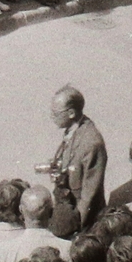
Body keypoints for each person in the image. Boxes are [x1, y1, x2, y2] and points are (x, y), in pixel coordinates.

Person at [44, 85, 107, 236]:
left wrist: (75, 229)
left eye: (55, 113)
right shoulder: (73, 131)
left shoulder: (91, 142)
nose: (51, 116)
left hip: (84, 225)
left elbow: (89, 196)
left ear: (71, 113)